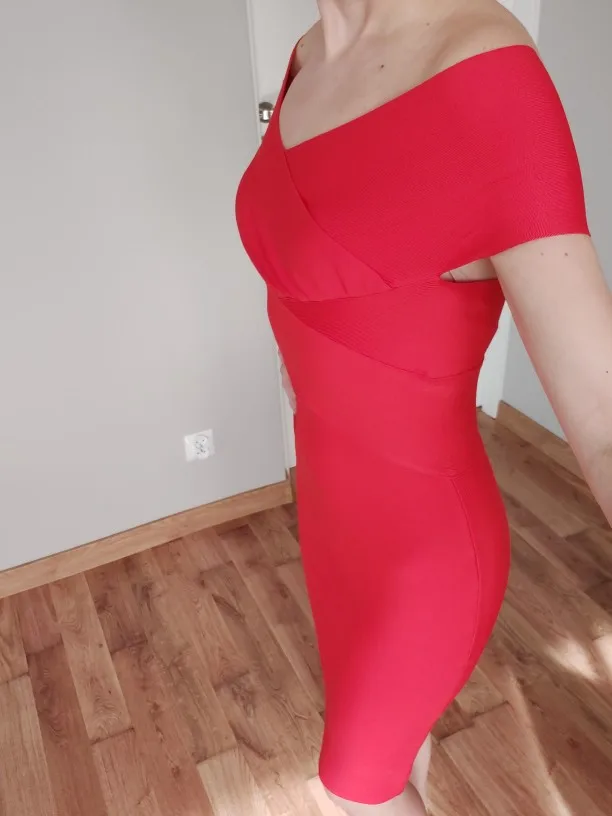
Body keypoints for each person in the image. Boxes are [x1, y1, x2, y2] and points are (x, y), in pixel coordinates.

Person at [236, 1, 612, 814]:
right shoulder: (309, 53)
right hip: (331, 520)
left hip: (425, 554)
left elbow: (602, 411)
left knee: (353, 789)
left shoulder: (487, 76)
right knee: (398, 750)